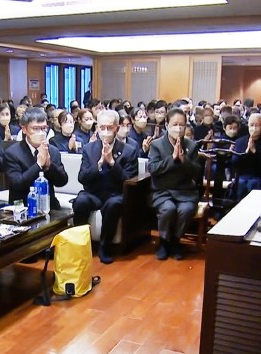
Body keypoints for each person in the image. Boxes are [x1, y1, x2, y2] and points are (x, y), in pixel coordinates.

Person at [73, 110, 139, 264]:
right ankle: (81, 245)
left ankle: (105, 246)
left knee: (114, 205)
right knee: (80, 202)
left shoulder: (129, 151)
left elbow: (128, 180)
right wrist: (99, 164)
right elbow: (82, 177)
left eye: (109, 127)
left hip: (115, 194)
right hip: (93, 193)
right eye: (102, 127)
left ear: (117, 128)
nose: (105, 131)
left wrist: (112, 163)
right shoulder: (89, 149)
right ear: (97, 128)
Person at [148, 108, 201, 261]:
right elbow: (153, 168)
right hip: (162, 190)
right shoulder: (157, 145)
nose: (178, 128)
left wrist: (184, 159)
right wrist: (172, 158)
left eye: (182, 125)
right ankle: (163, 242)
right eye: (175, 124)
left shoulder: (191, 145)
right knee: (168, 209)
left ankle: (175, 241)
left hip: (185, 191)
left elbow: (197, 172)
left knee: (186, 209)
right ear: (167, 125)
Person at [3, 108, 69, 209]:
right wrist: (38, 165)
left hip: (49, 206)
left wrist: (49, 166)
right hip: (22, 207)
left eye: (43, 128)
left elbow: (62, 181)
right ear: (24, 129)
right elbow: (17, 185)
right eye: (35, 129)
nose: (41, 133)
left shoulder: (52, 151)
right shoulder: (12, 153)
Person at [231, 113, 261, 200]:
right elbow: (234, 162)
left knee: (253, 183)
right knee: (241, 184)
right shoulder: (240, 141)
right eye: (251, 125)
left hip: (259, 176)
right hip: (242, 176)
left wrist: (254, 151)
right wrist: (246, 152)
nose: (253, 128)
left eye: (257, 125)